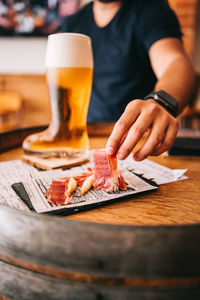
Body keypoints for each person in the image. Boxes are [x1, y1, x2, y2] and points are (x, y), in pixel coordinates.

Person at [61, 0, 196, 161]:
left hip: (137, 144)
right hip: (83, 139)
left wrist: (160, 102)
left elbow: (176, 64)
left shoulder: (151, 11)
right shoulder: (72, 22)